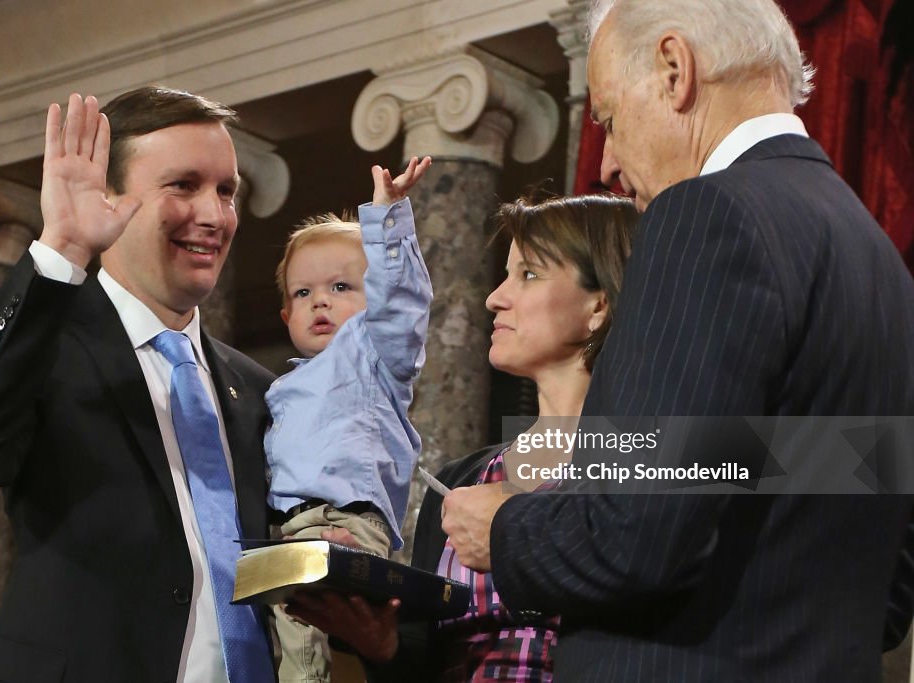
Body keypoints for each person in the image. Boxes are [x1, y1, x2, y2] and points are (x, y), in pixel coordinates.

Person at [440, 0, 914, 680]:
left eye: (607, 117)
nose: (605, 159)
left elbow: (635, 535)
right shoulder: (883, 263)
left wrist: (505, 528)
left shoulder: (705, 215)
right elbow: (890, 585)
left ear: (673, 69)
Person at [0, 88, 278, 683]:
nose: (214, 215)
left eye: (227, 190)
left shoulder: (256, 390)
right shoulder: (45, 340)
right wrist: (63, 250)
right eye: (183, 185)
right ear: (108, 195)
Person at [287, 193, 638, 682]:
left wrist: (514, 535)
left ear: (599, 303)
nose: (495, 297)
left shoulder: (664, 455)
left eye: (529, 274)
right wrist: (383, 643)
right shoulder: (462, 480)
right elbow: (426, 658)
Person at [266, 156, 433, 683]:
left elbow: (401, 305)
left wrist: (387, 219)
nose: (321, 302)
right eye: (303, 293)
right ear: (285, 316)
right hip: (288, 529)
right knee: (292, 652)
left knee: (331, 654)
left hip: (348, 523)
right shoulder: (277, 389)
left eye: (341, 288)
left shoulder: (373, 353)